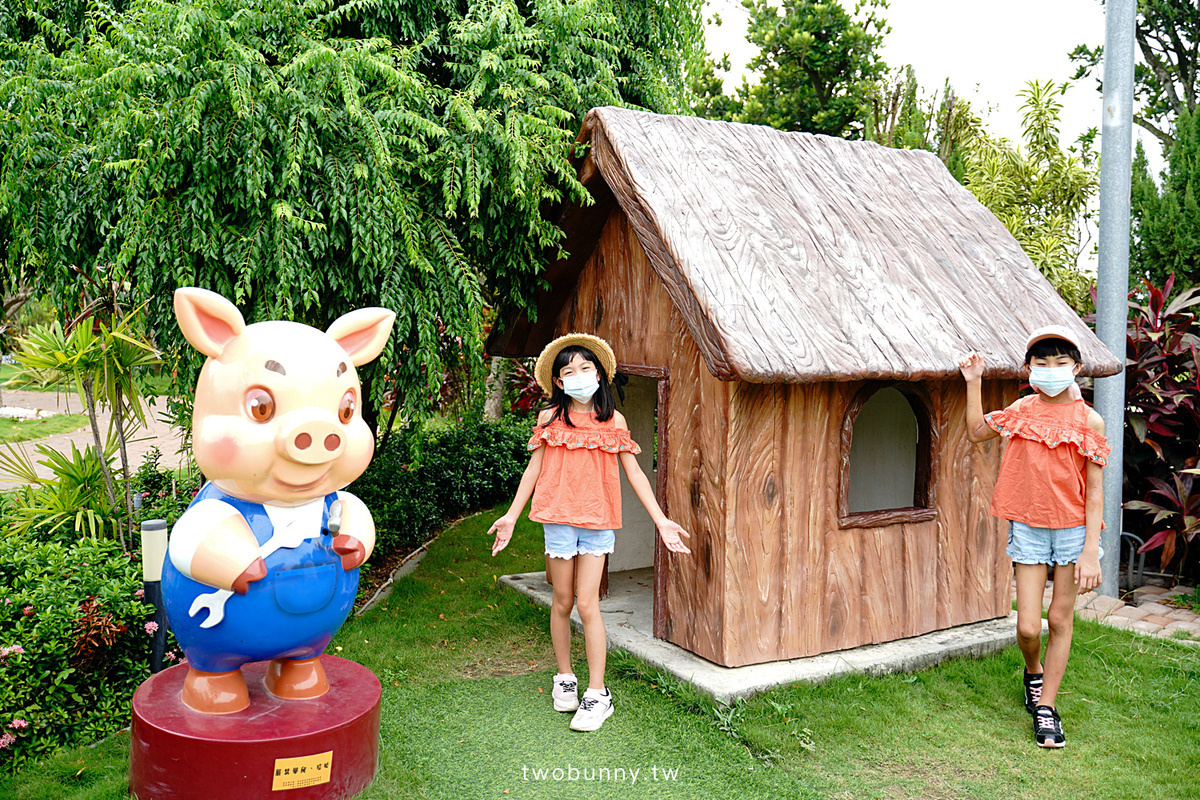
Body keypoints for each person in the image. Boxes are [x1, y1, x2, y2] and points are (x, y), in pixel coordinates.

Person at [488, 333, 691, 732]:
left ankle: (598, 693)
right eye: (569, 372)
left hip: (597, 522)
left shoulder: (613, 421)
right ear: (559, 383)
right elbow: (533, 470)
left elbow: (634, 473)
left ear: (598, 374)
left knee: (587, 604)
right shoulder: (550, 419)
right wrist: (511, 516)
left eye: (585, 368)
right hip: (558, 519)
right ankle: (564, 676)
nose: (579, 376)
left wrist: (661, 519)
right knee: (561, 601)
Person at [959, 325, 1109, 748]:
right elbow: (976, 432)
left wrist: (1090, 553)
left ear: (1076, 368)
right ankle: (1033, 672)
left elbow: (1094, 490)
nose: (1051, 370)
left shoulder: (1088, 419)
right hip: (1027, 527)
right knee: (1027, 628)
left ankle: (1046, 709)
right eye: (1041, 363)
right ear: (1029, 369)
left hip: (1072, 532)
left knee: (1059, 620)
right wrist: (974, 383)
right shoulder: (1022, 409)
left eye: (1061, 362)